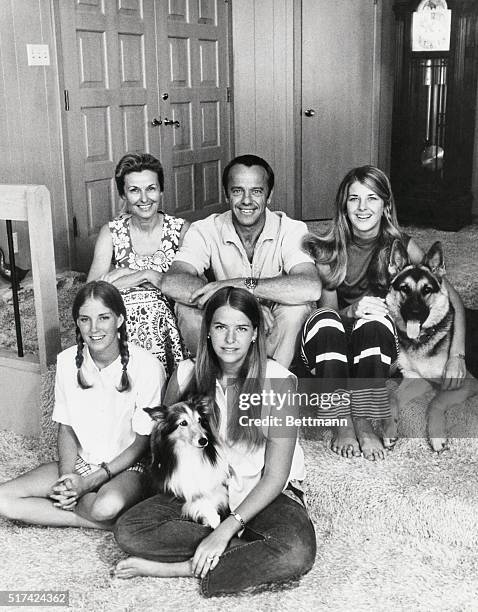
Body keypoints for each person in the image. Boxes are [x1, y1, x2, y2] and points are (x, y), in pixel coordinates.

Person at [113, 287, 316, 596]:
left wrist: (223, 531)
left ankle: (185, 567)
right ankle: (242, 552)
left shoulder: (279, 381)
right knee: (130, 530)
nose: (230, 339)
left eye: (241, 328)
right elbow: (165, 451)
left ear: (254, 333)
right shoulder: (185, 375)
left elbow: (276, 476)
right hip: (204, 493)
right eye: (221, 327)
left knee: (296, 551)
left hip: (265, 493)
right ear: (207, 331)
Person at [300, 165, 466, 460]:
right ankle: (341, 422)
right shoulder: (328, 251)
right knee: (326, 320)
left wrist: (456, 355)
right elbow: (328, 315)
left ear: (385, 206)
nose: (363, 208)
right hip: (332, 349)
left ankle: (363, 422)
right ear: (344, 206)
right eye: (354, 199)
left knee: (377, 321)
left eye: (372, 198)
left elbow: (450, 297)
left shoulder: (400, 246)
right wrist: (351, 310)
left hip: (376, 349)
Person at [0, 281, 166, 529]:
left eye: (104, 318)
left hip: (128, 466)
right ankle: (103, 523)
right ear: (77, 323)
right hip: (81, 462)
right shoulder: (67, 362)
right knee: (3, 499)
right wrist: (70, 478)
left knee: (105, 506)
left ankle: (99, 512)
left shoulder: (148, 367)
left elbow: (142, 443)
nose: (94, 328)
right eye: (85, 319)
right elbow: (65, 428)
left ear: (119, 319)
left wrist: (89, 484)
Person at [161, 154, 321, 368]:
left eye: (256, 191)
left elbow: (310, 288)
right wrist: (241, 301)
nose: (247, 200)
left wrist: (243, 284)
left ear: (269, 195)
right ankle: (215, 380)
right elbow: (172, 282)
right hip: (225, 324)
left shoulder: (292, 229)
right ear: (227, 194)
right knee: (186, 309)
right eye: (238, 191)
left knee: (297, 309)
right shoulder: (205, 229)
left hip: (271, 328)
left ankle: (269, 381)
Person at [87, 152, 189, 376]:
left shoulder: (180, 230)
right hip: (126, 323)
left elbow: (190, 287)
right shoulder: (112, 232)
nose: (144, 198)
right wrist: (144, 275)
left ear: (161, 190)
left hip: (168, 321)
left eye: (151, 188)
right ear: (123, 194)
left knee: (155, 306)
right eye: (134, 190)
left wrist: (124, 277)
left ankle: (166, 383)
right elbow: (92, 292)